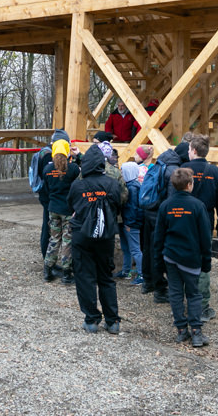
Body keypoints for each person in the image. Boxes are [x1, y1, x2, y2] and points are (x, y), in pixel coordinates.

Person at [67, 145, 123, 334]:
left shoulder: (78, 185)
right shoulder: (112, 184)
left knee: (84, 276)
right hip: (105, 235)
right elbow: (118, 203)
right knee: (106, 276)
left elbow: (71, 205)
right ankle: (112, 320)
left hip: (82, 234)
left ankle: (91, 319)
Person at [155, 168, 212, 347]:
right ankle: (196, 331)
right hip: (191, 257)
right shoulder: (197, 206)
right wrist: (206, 260)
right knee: (194, 294)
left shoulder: (166, 205)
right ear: (189, 185)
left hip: (171, 256)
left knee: (176, 293)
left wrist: (157, 260)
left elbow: (158, 235)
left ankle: (181, 329)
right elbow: (205, 236)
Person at [182, 135, 218, 321]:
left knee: (184, 258)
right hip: (206, 220)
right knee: (203, 261)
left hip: (184, 219)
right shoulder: (214, 171)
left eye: (189, 149)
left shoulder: (184, 169)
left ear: (193, 151)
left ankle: (186, 299)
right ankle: (203, 304)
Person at [141, 146, 182, 303]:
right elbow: (172, 198)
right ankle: (160, 289)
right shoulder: (173, 170)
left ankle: (147, 282)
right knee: (158, 252)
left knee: (148, 248)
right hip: (159, 214)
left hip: (147, 211)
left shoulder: (157, 165)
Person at [42, 139, 80, 284]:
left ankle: (47, 269)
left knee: (54, 238)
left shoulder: (47, 170)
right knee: (67, 240)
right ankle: (66, 273)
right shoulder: (73, 169)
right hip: (68, 210)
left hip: (53, 209)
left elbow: (45, 189)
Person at [121, 161, 143, 284]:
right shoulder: (135, 185)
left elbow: (133, 209)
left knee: (135, 249)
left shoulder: (131, 188)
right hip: (130, 222)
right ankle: (126, 270)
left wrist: (129, 224)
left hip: (131, 223)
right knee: (127, 248)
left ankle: (141, 275)